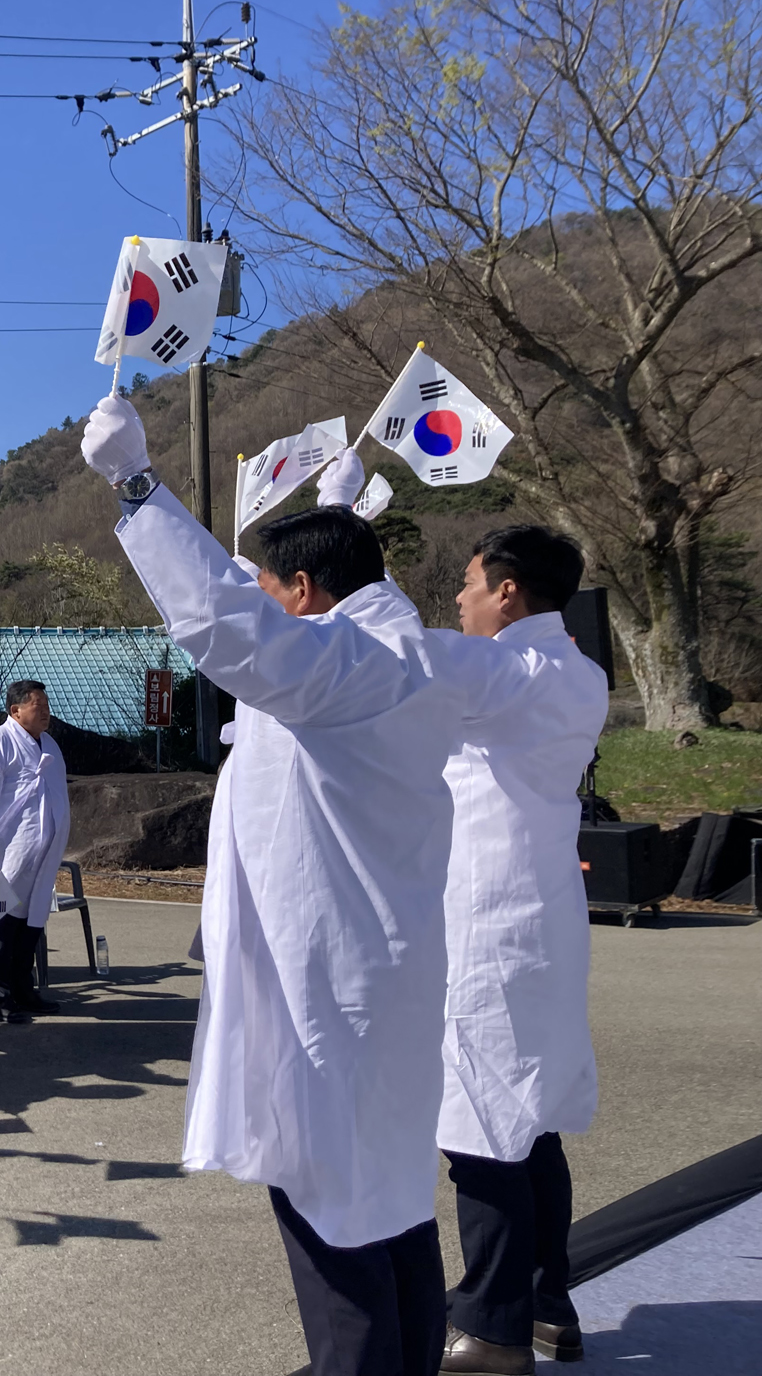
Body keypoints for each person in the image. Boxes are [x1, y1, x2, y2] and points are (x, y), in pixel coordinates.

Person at [84, 393, 475, 1376]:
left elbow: (230, 629)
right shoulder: (396, 652)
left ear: (302, 591)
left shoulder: (349, 665)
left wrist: (137, 487)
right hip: (373, 983)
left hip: (331, 996)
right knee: (388, 1205)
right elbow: (272, 662)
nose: (257, 596)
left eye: (269, 583)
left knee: (332, 1206)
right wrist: (346, 511)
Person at [428, 527, 608, 1374]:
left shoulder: (505, 671)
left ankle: (491, 1327)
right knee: (531, 1121)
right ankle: (547, 1301)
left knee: (483, 1122)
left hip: (488, 921)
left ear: (507, 591)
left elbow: (385, 656)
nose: (458, 600)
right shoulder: (581, 674)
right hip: (544, 917)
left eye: (467, 583)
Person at [0, 680, 71, 1019]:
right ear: (16, 710)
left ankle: (25, 989)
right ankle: (0, 997)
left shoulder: (50, 745)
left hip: (41, 856)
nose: (45, 713)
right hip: (6, 852)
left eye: (47, 706)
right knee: (1, 924)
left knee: (32, 923)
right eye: (37, 706)